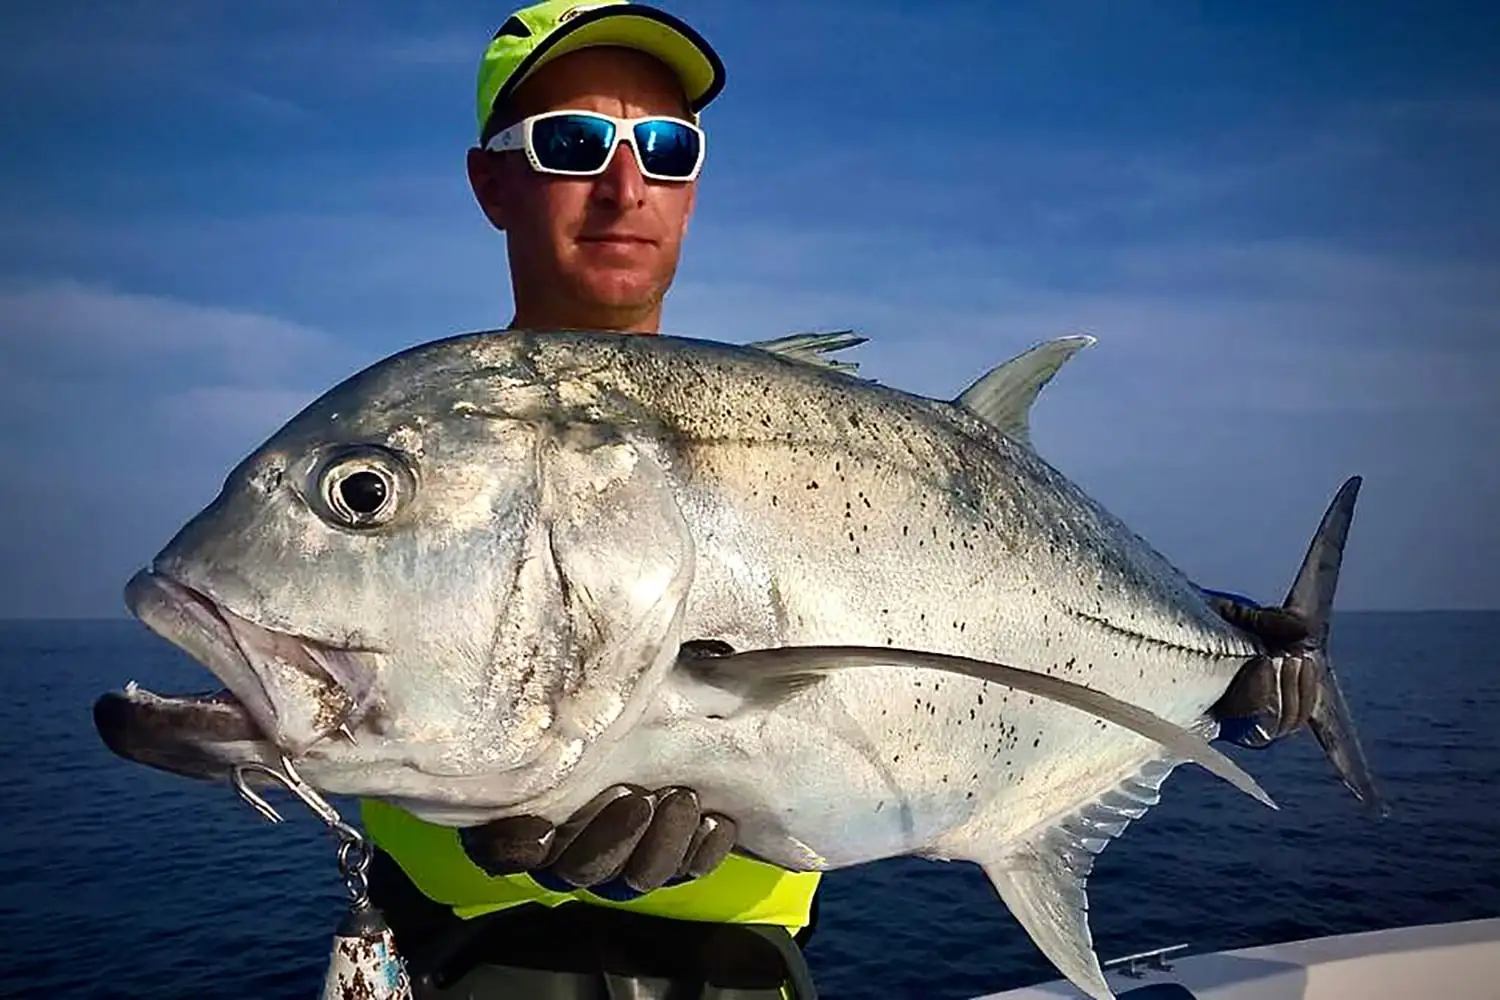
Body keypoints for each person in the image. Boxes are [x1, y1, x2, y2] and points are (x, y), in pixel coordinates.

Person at [360, 3, 1312, 997]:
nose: (625, 183)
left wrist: (1211, 668)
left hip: (749, 977)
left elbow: (972, 596)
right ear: (492, 182)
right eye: (571, 143)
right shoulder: (423, 437)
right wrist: (478, 833)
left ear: (693, 188)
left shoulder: (805, 438)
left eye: (667, 148)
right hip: (478, 968)